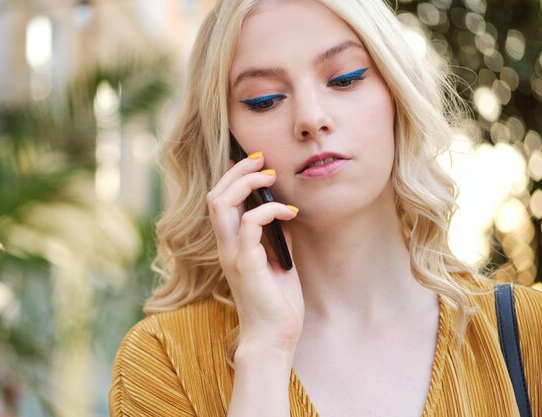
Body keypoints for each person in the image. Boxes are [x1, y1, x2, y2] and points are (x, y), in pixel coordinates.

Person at [109, 1, 541, 416]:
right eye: (264, 100)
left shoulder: (528, 334)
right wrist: (264, 351)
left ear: (397, 96)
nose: (311, 118)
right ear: (227, 146)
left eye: (345, 79)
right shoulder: (163, 363)